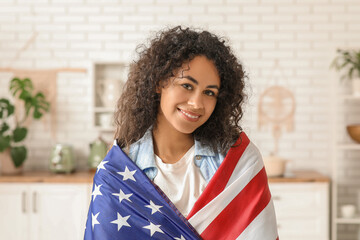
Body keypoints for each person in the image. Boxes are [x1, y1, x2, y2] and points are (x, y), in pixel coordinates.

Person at [84, 26, 278, 240]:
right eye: (187, 85)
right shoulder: (118, 170)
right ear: (159, 83)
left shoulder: (239, 161)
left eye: (209, 92)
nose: (196, 103)